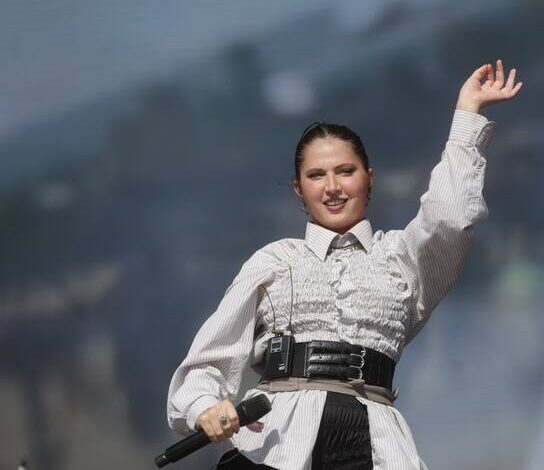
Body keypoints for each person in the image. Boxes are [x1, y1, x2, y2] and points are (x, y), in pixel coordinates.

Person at [167, 59, 523, 469]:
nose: (333, 187)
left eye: (345, 171)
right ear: (299, 189)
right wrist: (205, 408)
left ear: (369, 178)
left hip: (375, 441)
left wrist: (466, 116)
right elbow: (210, 359)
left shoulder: (400, 259)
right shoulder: (275, 260)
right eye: (317, 175)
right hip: (280, 441)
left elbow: (450, 218)